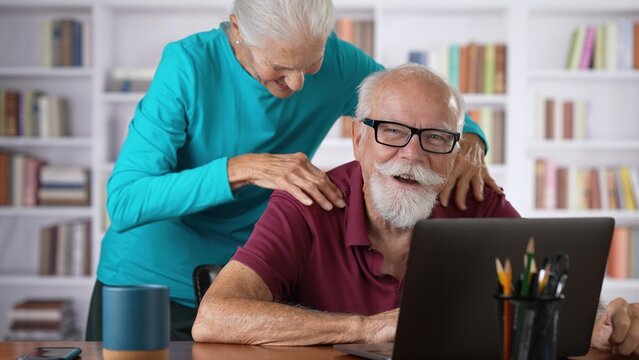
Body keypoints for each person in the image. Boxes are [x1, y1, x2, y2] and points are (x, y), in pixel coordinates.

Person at [87, 0, 499, 340]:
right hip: (147, 286)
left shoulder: (339, 62)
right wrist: (243, 169)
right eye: (280, 67)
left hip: (250, 284)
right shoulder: (188, 67)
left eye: (311, 63)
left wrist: (473, 145)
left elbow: (418, 103)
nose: (299, 82)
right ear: (237, 31)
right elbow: (124, 201)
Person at [192, 64, 639, 356]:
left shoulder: (477, 203)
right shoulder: (306, 204)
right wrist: (365, 329)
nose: (412, 155)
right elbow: (214, 317)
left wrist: (604, 324)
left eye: (435, 138)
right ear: (358, 139)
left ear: (455, 150)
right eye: (391, 131)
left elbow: (548, 299)